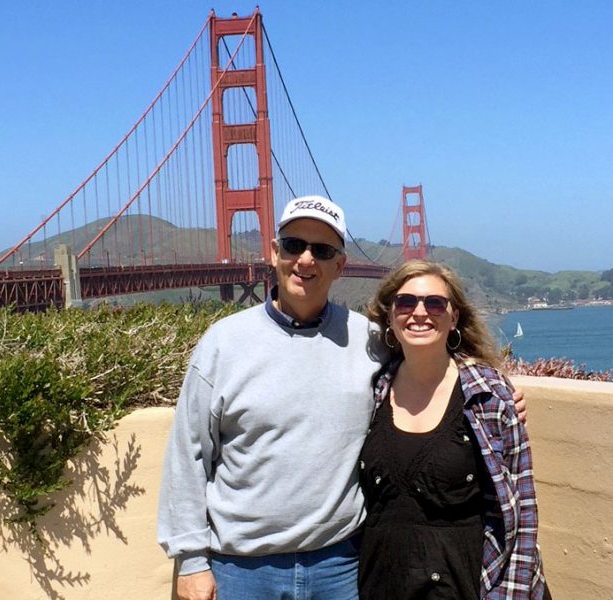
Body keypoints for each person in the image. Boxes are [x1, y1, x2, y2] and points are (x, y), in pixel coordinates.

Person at [158, 196, 528, 600]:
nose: (305, 260)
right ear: (274, 252)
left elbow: (425, 349)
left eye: (322, 250)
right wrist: (192, 561)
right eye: (294, 245)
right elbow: (188, 454)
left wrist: (491, 390)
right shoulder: (222, 343)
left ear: (340, 264)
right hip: (243, 570)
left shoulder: (367, 340)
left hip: (341, 568)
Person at [359, 260, 548, 599]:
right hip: (382, 585)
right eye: (405, 302)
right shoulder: (373, 391)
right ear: (389, 316)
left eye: (434, 303)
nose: (420, 312)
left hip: (464, 587)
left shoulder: (488, 396)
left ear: (454, 316)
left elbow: (523, 517)